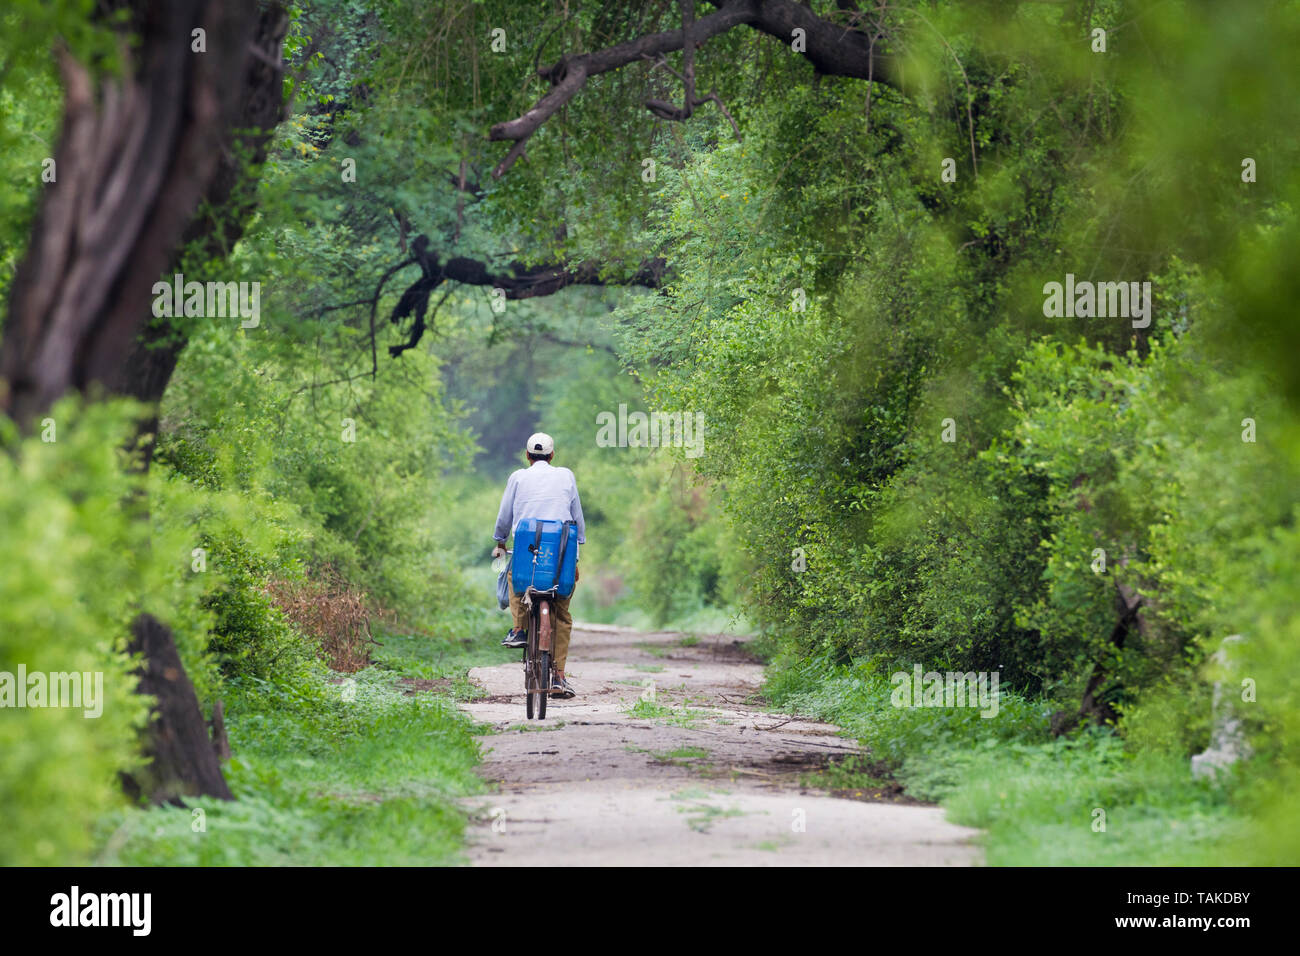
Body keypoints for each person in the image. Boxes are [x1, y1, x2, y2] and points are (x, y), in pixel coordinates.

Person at [492, 431, 585, 699]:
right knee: (562, 614)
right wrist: (577, 551)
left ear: (527, 456)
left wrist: (500, 541)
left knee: (515, 579)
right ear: (552, 455)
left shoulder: (518, 477)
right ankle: (559, 676)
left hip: (526, 550)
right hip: (561, 552)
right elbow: (576, 517)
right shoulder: (566, 475)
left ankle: (520, 630)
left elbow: (504, 516)